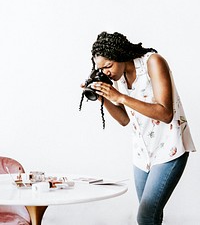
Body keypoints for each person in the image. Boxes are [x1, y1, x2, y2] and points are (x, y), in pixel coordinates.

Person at [84, 31, 196, 225]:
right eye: (101, 68)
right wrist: (103, 97)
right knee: (151, 216)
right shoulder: (119, 78)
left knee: (145, 216)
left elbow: (166, 113)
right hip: (142, 153)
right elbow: (124, 120)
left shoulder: (153, 62)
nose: (106, 72)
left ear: (121, 54)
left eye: (108, 65)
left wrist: (120, 97)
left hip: (169, 149)